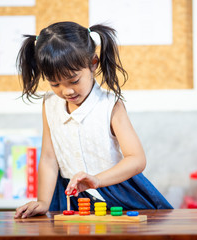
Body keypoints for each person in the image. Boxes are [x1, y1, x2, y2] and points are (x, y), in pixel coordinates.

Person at [14, 21, 173, 218]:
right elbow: (48, 158)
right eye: (55, 83)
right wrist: (43, 202)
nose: (67, 91)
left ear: (93, 63)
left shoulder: (111, 105)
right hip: (71, 197)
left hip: (117, 193)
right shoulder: (50, 105)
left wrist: (96, 180)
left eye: (74, 80)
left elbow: (137, 159)